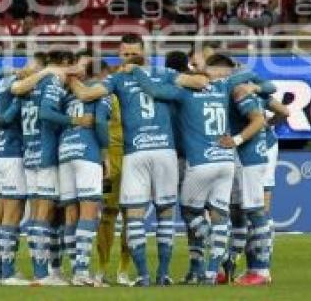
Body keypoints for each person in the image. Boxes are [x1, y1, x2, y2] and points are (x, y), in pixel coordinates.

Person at [68, 34, 209, 287]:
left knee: (137, 215)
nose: (128, 59)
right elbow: (200, 82)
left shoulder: (118, 78)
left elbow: (87, 95)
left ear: (144, 52)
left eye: (133, 54)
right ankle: (151, 275)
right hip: (158, 152)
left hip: (138, 154)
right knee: (160, 215)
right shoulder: (163, 73)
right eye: (124, 55)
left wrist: (68, 76)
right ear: (119, 55)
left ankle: (151, 274)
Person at [128, 53, 265, 286]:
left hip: (200, 162)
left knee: (190, 211)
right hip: (226, 159)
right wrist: (248, 84)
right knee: (220, 215)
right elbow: (253, 75)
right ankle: (211, 272)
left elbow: (153, 91)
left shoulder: (184, 92)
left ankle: (214, 248)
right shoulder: (222, 86)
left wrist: (137, 70)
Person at [0, 51, 89, 286]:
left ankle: (10, 271)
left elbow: (6, 117)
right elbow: (47, 113)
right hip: (46, 155)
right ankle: (41, 274)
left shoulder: (27, 88)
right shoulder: (50, 82)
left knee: (33, 213)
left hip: (29, 153)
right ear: (64, 64)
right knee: (43, 214)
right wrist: (74, 121)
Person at [0, 53, 49, 286]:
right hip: (13, 152)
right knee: (13, 214)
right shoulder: (20, 89)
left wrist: (16, 72)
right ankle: (8, 273)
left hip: (0, 150)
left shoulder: (5, 81)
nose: (29, 69)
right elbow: (4, 120)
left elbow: (0, 73)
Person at [56, 59, 111, 287]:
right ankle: (81, 271)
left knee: (71, 213)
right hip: (87, 152)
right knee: (89, 212)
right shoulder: (100, 93)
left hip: (65, 151)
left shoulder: (67, 97)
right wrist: (105, 153)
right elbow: (99, 122)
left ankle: (75, 270)